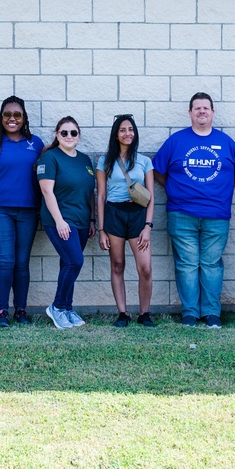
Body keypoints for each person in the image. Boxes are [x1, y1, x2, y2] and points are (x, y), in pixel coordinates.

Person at [153, 92, 235, 329]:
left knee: (211, 264)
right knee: (186, 264)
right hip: (181, 213)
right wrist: (173, 189)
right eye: (197, 108)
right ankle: (189, 313)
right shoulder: (176, 141)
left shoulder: (225, 141)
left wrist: (224, 189)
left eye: (206, 108)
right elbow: (157, 170)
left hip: (217, 215)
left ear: (213, 112)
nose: (202, 111)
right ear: (190, 113)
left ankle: (211, 313)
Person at [0, 96, 44, 328]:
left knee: (22, 262)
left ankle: (21, 310)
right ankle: (2, 311)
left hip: (28, 209)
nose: (12, 119)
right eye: (7, 114)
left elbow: (44, 179)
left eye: (17, 115)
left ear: (24, 118)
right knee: (5, 261)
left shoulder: (35, 143)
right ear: (1, 117)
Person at [96, 114, 156, 328]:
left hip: (138, 215)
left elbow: (150, 196)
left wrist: (148, 227)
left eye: (130, 129)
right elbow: (101, 196)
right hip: (114, 213)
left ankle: (144, 313)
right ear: (116, 134)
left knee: (145, 267)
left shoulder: (145, 161)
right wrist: (101, 229)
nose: (127, 133)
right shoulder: (105, 161)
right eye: (122, 129)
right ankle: (123, 313)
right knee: (118, 264)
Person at [38, 116, 96, 330]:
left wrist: (91, 219)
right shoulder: (50, 158)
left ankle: (67, 309)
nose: (69, 136)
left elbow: (89, 190)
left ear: (79, 135)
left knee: (68, 263)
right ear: (57, 134)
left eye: (73, 133)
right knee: (75, 262)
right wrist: (60, 221)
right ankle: (57, 307)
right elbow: (46, 191)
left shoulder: (84, 160)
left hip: (81, 221)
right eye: (64, 132)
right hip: (60, 220)